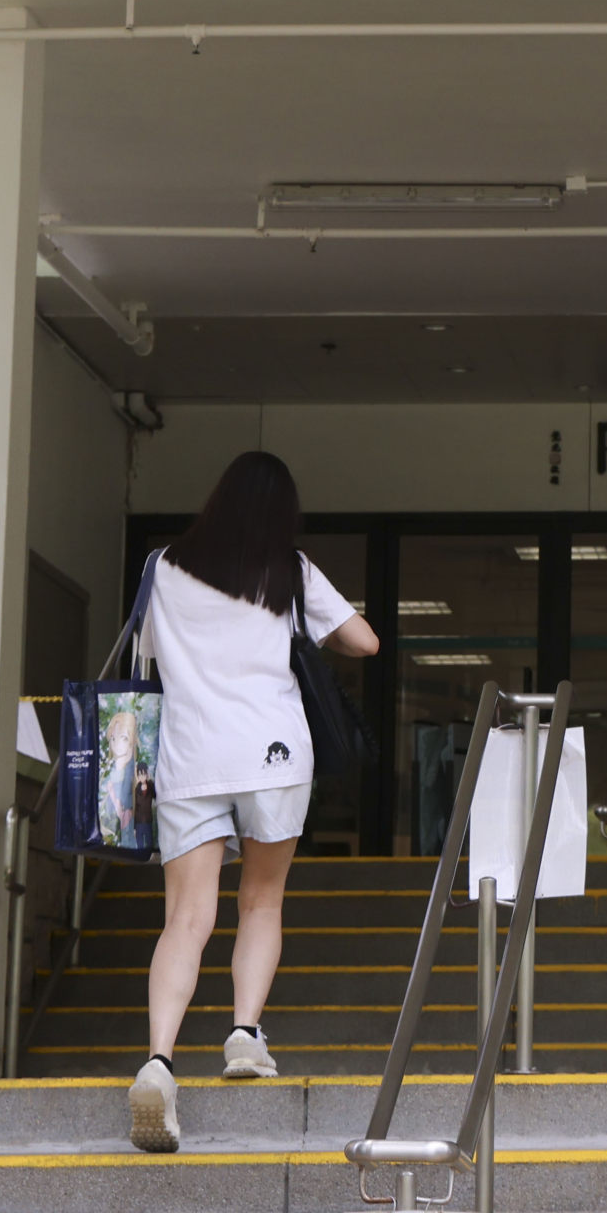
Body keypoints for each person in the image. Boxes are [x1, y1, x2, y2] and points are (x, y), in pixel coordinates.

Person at [130, 449, 375, 1153]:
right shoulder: (288, 569)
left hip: (189, 758)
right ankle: (243, 1033)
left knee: (185, 916)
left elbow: (148, 654)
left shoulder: (161, 566)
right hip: (272, 756)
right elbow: (364, 640)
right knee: (260, 900)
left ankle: (158, 1060)